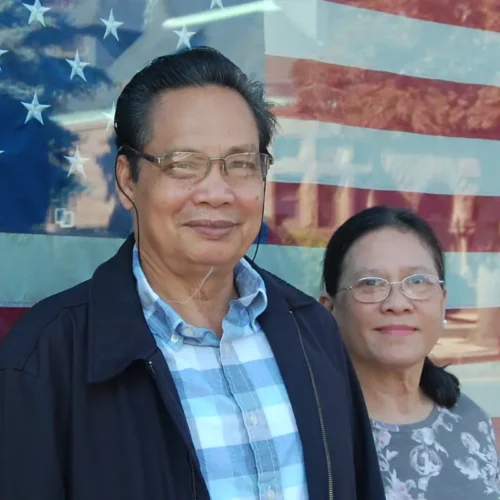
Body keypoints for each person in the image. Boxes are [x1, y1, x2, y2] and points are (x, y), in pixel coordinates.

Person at [0, 47, 385, 500]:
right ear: (128, 180)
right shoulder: (44, 360)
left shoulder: (312, 333)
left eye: (240, 164)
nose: (217, 192)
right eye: (184, 164)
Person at [320, 205, 500, 499]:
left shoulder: (469, 419)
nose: (398, 303)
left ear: (442, 301)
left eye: (417, 282)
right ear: (329, 309)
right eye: (371, 284)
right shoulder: (313, 433)